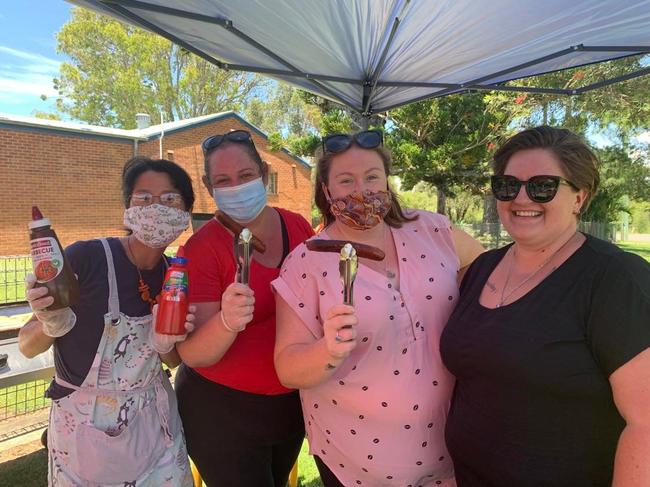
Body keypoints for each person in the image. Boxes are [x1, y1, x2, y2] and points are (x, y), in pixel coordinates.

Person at [440, 126, 650, 486]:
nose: (522, 199)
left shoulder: (614, 278)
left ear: (579, 198)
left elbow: (645, 423)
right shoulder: (483, 268)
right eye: (508, 185)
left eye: (543, 186)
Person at [272, 129, 484, 486]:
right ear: (327, 191)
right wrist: (327, 349)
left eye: (372, 177)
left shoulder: (433, 230)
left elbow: (494, 275)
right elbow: (288, 368)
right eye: (345, 180)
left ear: (386, 181)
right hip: (355, 461)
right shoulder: (305, 261)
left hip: (451, 450)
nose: (362, 189)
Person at [18, 156, 196, 486]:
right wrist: (49, 323)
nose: (155, 208)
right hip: (86, 431)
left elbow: (172, 360)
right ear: (127, 208)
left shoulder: (176, 275)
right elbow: (26, 347)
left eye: (170, 199)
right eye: (144, 198)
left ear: (185, 214)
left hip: (155, 423)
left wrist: (166, 343)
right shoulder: (87, 258)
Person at [174, 129, 314, 486]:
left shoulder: (296, 225)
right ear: (209, 186)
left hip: (288, 405)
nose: (236, 187)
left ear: (264, 174)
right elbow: (193, 353)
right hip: (221, 413)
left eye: (246, 176)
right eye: (223, 180)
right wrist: (226, 321)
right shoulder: (203, 249)